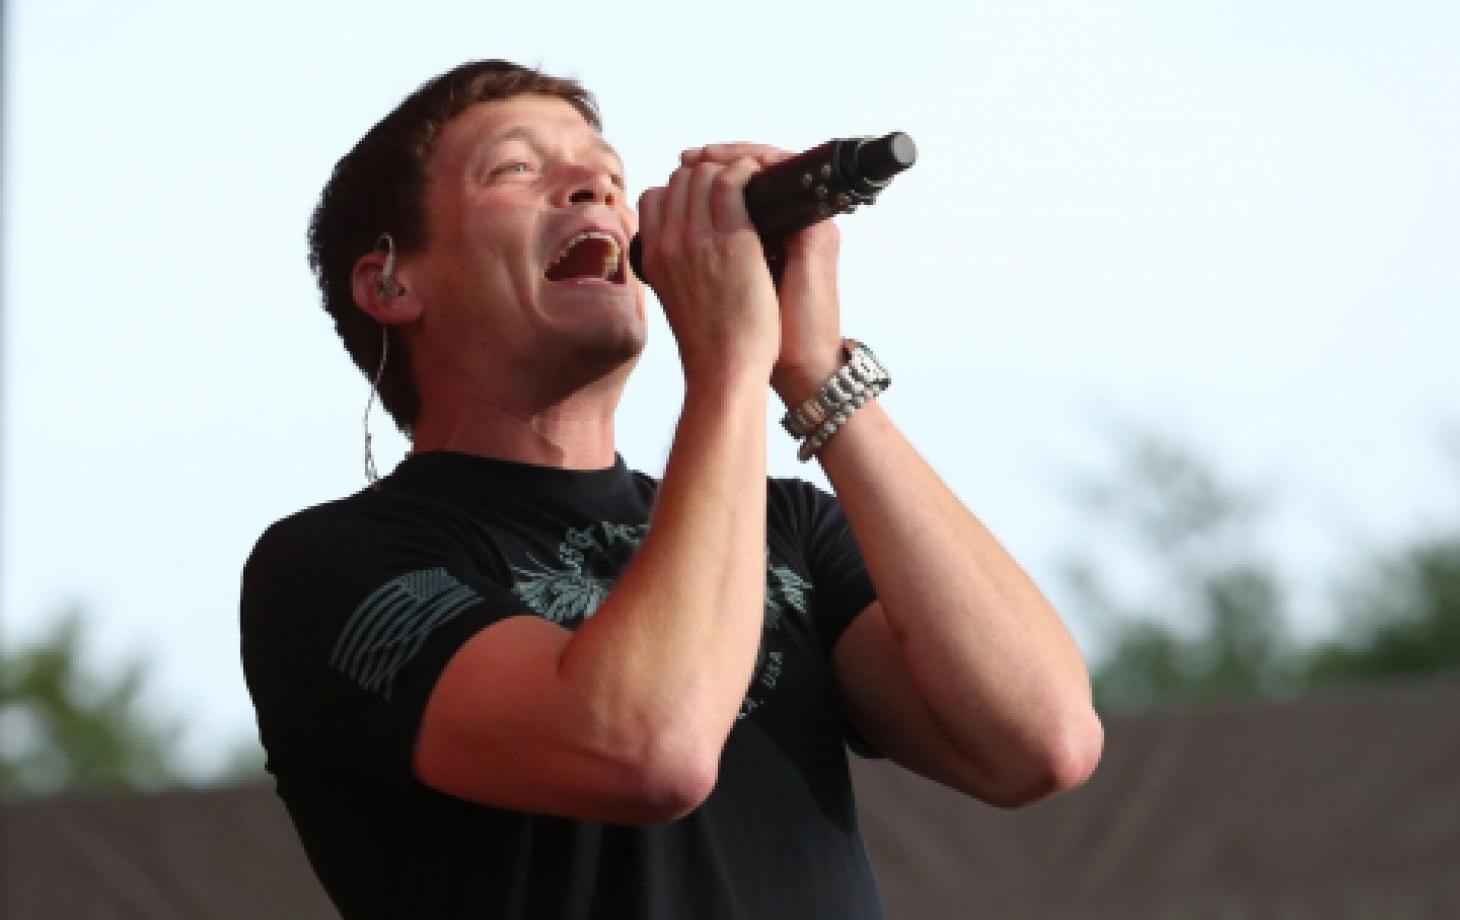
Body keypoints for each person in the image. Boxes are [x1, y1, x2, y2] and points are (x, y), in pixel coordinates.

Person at [241, 60, 1102, 920]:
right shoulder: (329, 566)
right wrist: (730, 361)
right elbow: (649, 748)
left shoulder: (786, 527)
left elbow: (1041, 741)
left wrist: (812, 371)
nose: (595, 188)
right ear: (390, 281)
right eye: (517, 168)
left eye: (610, 177)